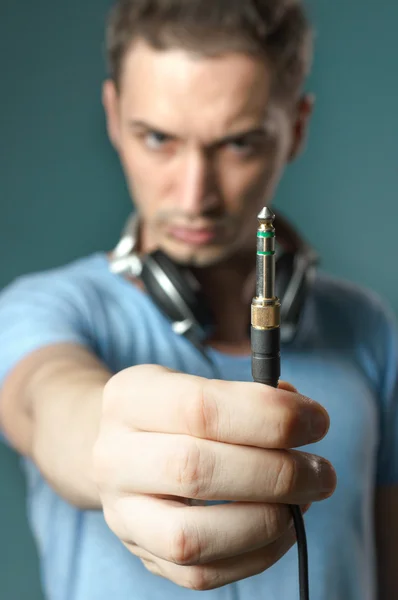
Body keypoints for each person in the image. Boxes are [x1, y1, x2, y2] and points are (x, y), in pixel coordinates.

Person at [0, 0, 397, 598]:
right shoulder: (42, 310)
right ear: (113, 115)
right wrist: (105, 442)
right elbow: (46, 402)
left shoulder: (367, 328)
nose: (195, 195)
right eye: (158, 138)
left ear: (297, 128)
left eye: (239, 144)